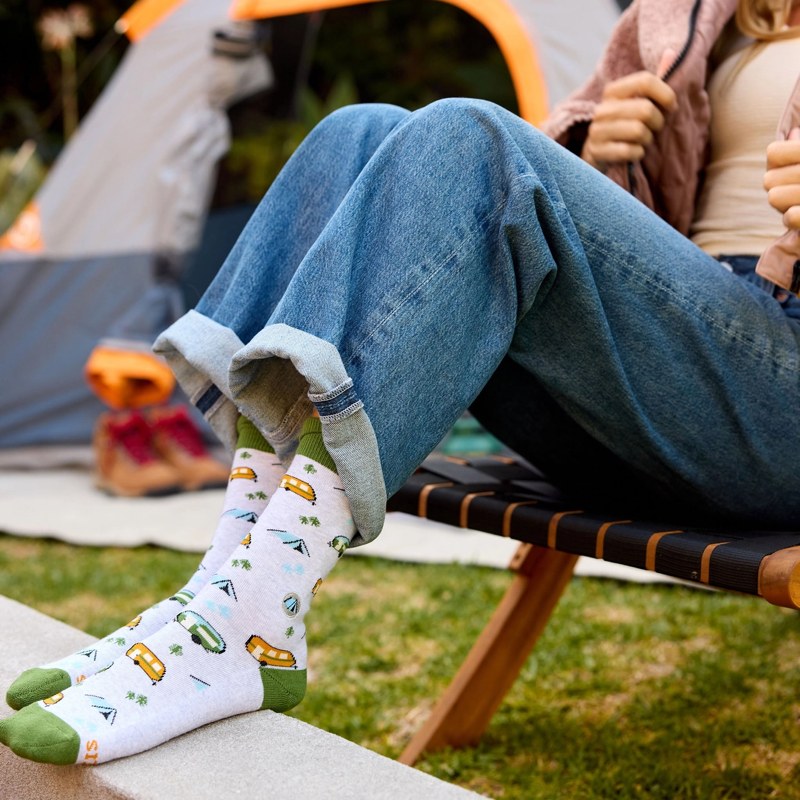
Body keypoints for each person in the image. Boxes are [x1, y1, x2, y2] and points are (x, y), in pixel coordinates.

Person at [3, 0, 800, 766]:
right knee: (359, 134)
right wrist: (598, 148)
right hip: (660, 392)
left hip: (775, 399)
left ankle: (248, 619)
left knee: (472, 138)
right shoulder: (686, 11)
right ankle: (231, 589)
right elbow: (596, 216)